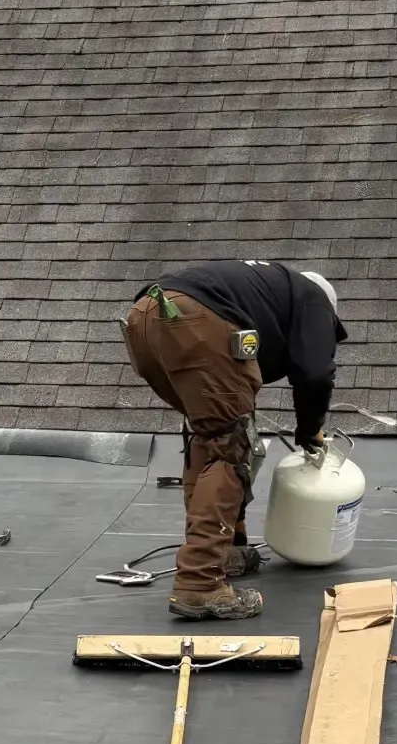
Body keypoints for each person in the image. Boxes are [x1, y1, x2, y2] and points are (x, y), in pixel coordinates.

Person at [122, 260, 346, 620]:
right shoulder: (315, 299)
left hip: (145, 318)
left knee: (211, 437)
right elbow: (316, 373)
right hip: (193, 319)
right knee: (230, 445)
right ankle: (200, 584)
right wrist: (310, 431)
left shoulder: (264, 290)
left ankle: (224, 551)